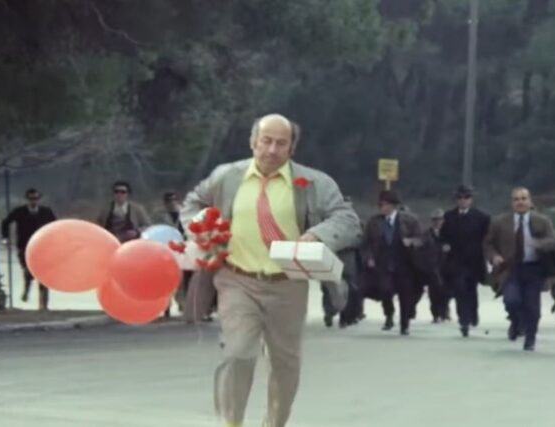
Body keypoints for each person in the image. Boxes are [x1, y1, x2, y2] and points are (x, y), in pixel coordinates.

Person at [181, 114, 361, 427]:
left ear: (292, 148)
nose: (272, 150)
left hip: (288, 283)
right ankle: (231, 422)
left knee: (284, 364)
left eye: (281, 143)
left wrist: (317, 234)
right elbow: (192, 204)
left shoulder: (314, 183)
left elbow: (347, 219)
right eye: (266, 141)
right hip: (237, 279)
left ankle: (274, 423)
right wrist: (199, 227)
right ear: (253, 142)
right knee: (237, 354)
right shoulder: (227, 177)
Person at [483, 187, 555, 351]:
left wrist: (539, 244)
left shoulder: (542, 221)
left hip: (533, 268)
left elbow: (554, 241)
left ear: (530, 201)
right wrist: (494, 256)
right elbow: (488, 243)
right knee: (512, 300)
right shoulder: (499, 222)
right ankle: (516, 320)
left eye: (524, 198)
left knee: (532, 306)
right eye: (516, 199)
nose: (520, 202)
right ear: (512, 203)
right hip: (510, 269)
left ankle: (530, 338)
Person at [362, 190, 423, 335]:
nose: (381, 207)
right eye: (380, 205)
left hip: (405, 264)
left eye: (383, 204)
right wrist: (369, 257)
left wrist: (411, 242)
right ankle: (389, 314)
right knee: (385, 290)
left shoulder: (409, 220)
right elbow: (366, 243)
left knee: (405, 294)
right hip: (382, 263)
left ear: (392, 205)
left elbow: (421, 239)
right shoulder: (374, 222)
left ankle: (404, 324)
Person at [439, 185, 490, 337]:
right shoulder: (449, 216)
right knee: (459, 289)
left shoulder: (482, 217)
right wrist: (444, 245)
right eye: (460, 198)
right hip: (456, 261)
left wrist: (488, 256)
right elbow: (443, 236)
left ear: (471, 199)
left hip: (474, 261)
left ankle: (472, 313)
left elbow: (488, 239)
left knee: (471, 290)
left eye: (466, 197)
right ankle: (464, 320)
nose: (463, 200)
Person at [1, 188, 57, 310]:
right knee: (28, 270)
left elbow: (55, 226)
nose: (34, 201)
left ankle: (43, 305)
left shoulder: (46, 212)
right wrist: (5, 238)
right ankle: (27, 289)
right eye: (31, 199)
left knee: (43, 274)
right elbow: (5, 222)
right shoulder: (19, 211)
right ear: (27, 199)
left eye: (36, 198)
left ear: (39, 199)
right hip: (24, 246)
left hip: (42, 247)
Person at [421, 208, 451, 323]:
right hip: (432, 266)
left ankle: (444, 312)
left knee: (446, 291)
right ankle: (436, 314)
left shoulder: (449, 233)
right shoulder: (426, 234)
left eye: (440, 219)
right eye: (435, 219)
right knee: (434, 292)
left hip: (446, 266)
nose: (437, 222)